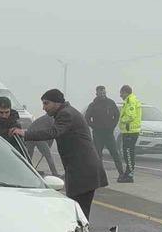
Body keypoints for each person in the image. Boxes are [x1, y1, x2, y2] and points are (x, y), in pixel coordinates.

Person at [10, 89, 107, 220]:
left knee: (79, 214)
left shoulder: (66, 114)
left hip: (83, 171)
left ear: (56, 103)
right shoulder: (66, 112)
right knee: (77, 213)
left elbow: (53, 132)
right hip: (81, 170)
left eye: (46, 103)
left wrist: (25, 133)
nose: (43, 108)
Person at [84, 85, 124, 177]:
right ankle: (100, 175)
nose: (102, 94)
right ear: (96, 93)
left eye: (104, 93)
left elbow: (117, 115)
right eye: (101, 93)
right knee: (98, 155)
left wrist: (112, 126)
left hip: (109, 133)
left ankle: (121, 173)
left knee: (115, 153)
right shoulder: (93, 105)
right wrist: (94, 127)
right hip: (98, 134)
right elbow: (87, 118)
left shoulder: (110, 103)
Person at [117, 85, 142, 183]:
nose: (120, 95)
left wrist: (122, 120)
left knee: (128, 153)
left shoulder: (130, 101)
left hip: (130, 131)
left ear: (126, 92)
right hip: (129, 131)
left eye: (121, 93)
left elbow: (131, 116)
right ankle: (128, 173)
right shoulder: (131, 100)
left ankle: (129, 175)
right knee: (128, 153)